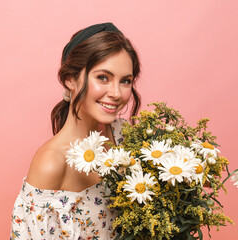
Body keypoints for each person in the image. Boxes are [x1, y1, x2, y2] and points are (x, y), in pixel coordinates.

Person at [10, 22, 141, 239]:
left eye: (125, 81)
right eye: (103, 77)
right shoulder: (51, 162)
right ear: (70, 79)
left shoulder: (127, 137)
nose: (117, 93)